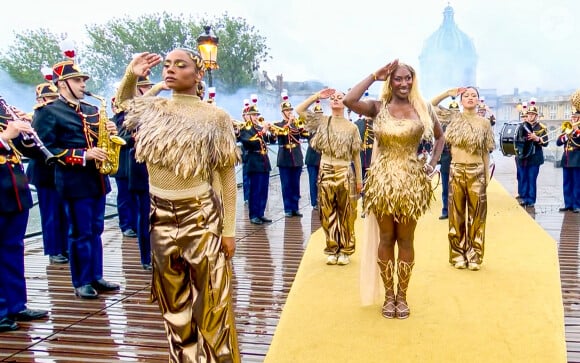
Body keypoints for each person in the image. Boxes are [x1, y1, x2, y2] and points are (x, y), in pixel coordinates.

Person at [115, 49, 240, 362]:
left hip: (200, 216)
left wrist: (229, 230)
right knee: (173, 305)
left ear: (197, 75)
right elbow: (123, 103)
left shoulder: (216, 117)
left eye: (180, 65)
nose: (170, 70)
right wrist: (133, 74)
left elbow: (226, 177)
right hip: (160, 216)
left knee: (211, 301)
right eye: (167, 65)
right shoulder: (153, 108)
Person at [343, 59, 444, 319]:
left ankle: (403, 296)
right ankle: (389, 295)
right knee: (386, 238)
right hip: (382, 183)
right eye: (397, 79)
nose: (403, 83)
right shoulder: (379, 108)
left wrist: (433, 164)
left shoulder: (423, 109)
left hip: (411, 183)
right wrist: (374, 76)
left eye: (407, 78)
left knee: (406, 240)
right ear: (390, 81)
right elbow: (349, 101)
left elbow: (440, 137)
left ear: (413, 80)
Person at [33, 59, 121, 299]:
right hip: (73, 180)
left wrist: (111, 135)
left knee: (96, 229)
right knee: (80, 231)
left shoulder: (92, 110)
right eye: (77, 80)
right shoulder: (48, 112)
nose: (82, 85)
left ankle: (95, 275)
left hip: (97, 180)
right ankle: (81, 281)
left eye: (83, 81)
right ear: (62, 84)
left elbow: (98, 138)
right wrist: (82, 155)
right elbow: (45, 149)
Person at [296, 88, 362, 266]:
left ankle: (346, 250)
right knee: (327, 212)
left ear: (346, 101)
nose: (335, 100)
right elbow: (300, 111)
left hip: (344, 171)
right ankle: (332, 248)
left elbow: (356, 155)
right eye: (333, 98)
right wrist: (316, 96)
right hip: (325, 170)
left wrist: (359, 180)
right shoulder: (322, 121)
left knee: (347, 213)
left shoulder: (352, 127)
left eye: (340, 98)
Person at [0, 102, 49, 332]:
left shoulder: (3, 111)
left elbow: (31, 152)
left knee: (13, 250)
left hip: (14, 194)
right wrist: (4, 137)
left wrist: (26, 131)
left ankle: (16, 304)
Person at [444, 86, 496, 271]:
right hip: (456, 170)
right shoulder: (453, 118)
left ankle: (474, 255)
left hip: (477, 171)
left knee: (477, 217)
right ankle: (457, 254)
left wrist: (486, 176)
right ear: (461, 99)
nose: (470, 98)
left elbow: (485, 151)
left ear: (478, 100)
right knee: (456, 215)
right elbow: (429, 107)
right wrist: (446, 93)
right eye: (467, 95)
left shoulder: (484, 123)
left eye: (474, 95)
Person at [114, 75, 156, 271]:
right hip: (139, 167)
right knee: (144, 213)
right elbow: (120, 138)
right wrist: (135, 137)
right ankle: (146, 257)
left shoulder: (155, 113)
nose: (148, 91)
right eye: (145, 87)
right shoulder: (125, 114)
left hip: (158, 167)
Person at [26, 81, 69, 263]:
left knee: (64, 211)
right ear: (41, 99)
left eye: (55, 98)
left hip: (61, 171)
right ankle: (53, 250)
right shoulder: (37, 115)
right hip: (44, 172)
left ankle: (65, 246)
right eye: (50, 98)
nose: (53, 101)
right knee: (50, 212)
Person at [238, 102, 276, 225]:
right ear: (247, 116)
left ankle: (261, 213)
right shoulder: (245, 129)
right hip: (254, 160)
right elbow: (250, 143)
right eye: (253, 115)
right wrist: (263, 130)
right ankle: (253, 215)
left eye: (256, 115)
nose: (255, 117)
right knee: (255, 189)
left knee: (263, 189)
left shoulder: (259, 128)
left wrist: (272, 132)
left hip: (264, 161)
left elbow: (270, 140)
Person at [430, 89, 465, 220]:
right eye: (451, 112)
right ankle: (446, 211)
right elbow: (431, 105)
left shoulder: (464, 121)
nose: (454, 115)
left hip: (462, 159)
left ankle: (459, 211)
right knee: (446, 188)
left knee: (460, 188)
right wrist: (446, 94)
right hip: (446, 159)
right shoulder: (443, 121)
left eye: (456, 112)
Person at [273, 94, 308, 217]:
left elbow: (306, 135)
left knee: (295, 184)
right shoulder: (278, 124)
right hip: (284, 158)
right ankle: (288, 208)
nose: (289, 112)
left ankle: (295, 207)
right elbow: (279, 134)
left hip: (296, 157)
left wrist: (300, 125)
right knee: (286, 184)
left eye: (290, 110)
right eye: (287, 110)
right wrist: (288, 123)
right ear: (283, 112)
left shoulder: (296, 124)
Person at [514, 101, 549, 207]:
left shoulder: (541, 127)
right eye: (529, 114)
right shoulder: (522, 126)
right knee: (523, 177)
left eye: (533, 114)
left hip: (534, 157)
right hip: (523, 157)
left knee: (531, 178)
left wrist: (537, 138)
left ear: (536, 116)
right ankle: (524, 198)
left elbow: (546, 142)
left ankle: (531, 200)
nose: (530, 116)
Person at [556, 94, 580, 213]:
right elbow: (558, 142)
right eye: (572, 117)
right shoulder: (567, 127)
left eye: (575, 118)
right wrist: (566, 135)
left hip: (577, 159)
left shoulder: (578, 130)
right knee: (566, 183)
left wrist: (576, 131)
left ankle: (576, 205)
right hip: (566, 159)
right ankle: (568, 204)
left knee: (577, 184)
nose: (573, 119)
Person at [304, 102, 322, 210]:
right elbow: (311, 141)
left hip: (321, 159)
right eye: (317, 114)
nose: (319, 116)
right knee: (313, 181)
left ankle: (321, 200)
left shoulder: (324, 127)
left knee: (322, 181)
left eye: (320, 113)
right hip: (312, 158)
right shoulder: (309, 127)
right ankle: (314, 202)